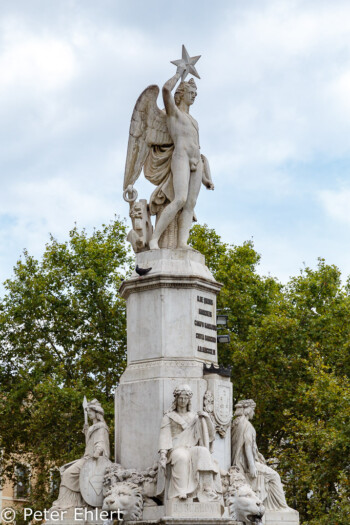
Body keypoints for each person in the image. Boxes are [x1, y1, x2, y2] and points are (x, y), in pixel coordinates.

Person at [148, 68, 214, 250]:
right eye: (191, 93)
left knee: (190, 205)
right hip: (181, 157)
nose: (194, 96)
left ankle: (182, 243)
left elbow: (199, 149)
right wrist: (178, 73)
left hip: (196, 161)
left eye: (195, 94)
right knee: (180, 199)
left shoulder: (194, 121)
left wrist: (206, 178)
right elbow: (166, 91)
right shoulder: (173, 113)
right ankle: (154, 239)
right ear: (181, 94)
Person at [157, 384, 222, 502]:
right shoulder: (169, 416)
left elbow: (208, 434)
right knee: (182, 457)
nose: (182, 401)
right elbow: (164, 436)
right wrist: (162, 454)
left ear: (189, 400)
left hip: (191, 447)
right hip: (176, 448)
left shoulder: (194, 417)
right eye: (180, 398)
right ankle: (180, 491)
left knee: (203, 451)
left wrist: (206, 419)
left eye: (185, 398)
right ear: (176, 399)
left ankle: (206, 489)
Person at [231, 399, 290, 511]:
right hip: (246, 464)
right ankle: (281, 507)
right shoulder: (247, 425)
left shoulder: (237, 423)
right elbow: (247, 446)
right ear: (247, 410)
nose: (254, 413)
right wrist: (252, 466)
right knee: (274, 476)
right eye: (253, 410)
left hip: (239, 462)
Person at [52, 399, 110, 509]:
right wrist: (87, 432)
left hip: (91, 460)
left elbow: (100, 443)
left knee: (68, 474)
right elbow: (90, 445)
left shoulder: (101, 427)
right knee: (63, 469)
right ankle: (72, 502)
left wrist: (97, 453)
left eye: (90, 411)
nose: (88, 413)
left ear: (96, 413)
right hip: (86, 458)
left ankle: (67, 504)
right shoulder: (94, 427)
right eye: (87, 411)